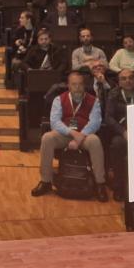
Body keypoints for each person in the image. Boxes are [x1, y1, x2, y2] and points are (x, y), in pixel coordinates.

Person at [31, 71, 108, 201]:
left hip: (84, 136)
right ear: (68, 86)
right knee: (47, 138)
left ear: (84, 85)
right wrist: (72, 133)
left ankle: (100, 183)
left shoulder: (93, 101)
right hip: (65, 134)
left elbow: (95, 122)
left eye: (80, 84)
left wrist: (80, 136)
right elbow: (55, 122)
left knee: (95, 141)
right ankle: (46, 181)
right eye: (74, 84)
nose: (77, 87)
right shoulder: (59, 99)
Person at [100, 69, 134, 201]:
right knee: (117, 145)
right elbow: (108, 118)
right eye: (124, 78)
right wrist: (123, 132)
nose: (128, 81)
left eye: (131, 78)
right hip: (122, 132)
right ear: (119, 82)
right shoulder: (114, 94)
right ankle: (119, 187)